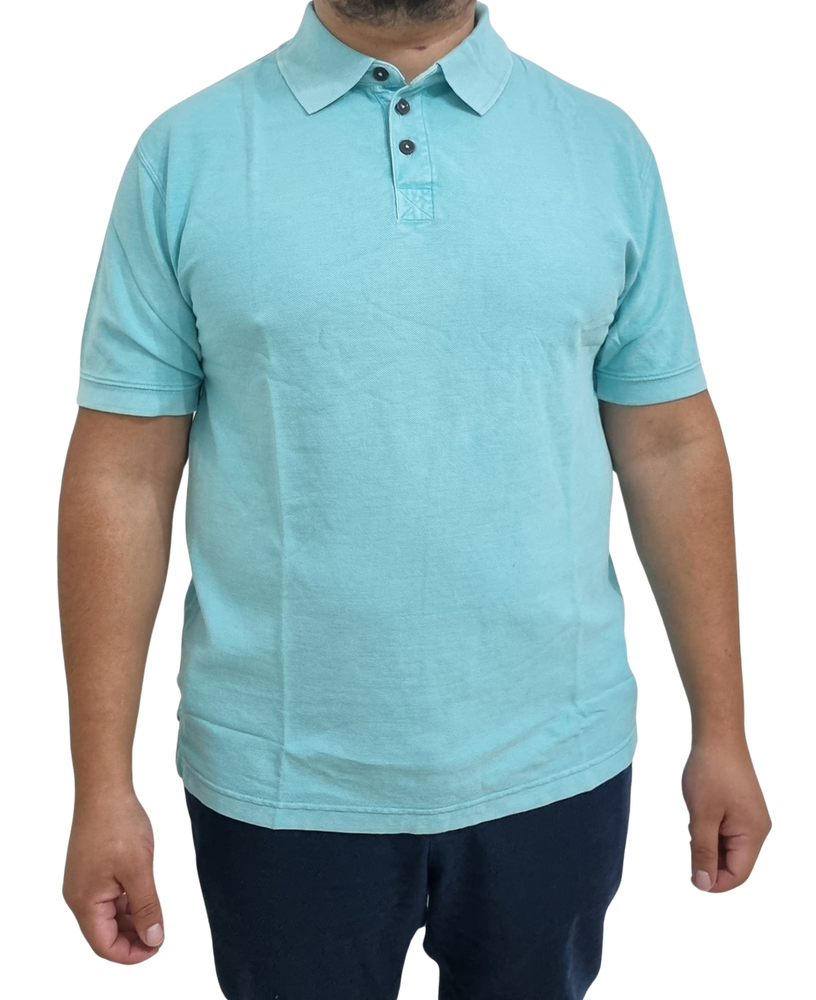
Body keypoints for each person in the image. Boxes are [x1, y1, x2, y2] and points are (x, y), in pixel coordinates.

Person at [57, 1, 771, 997]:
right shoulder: (185, 151)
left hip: (558, 762)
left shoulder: (602, 144)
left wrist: (724, 729)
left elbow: (669, 444)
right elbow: (122, 474)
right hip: (278, 780)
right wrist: (101, 785)